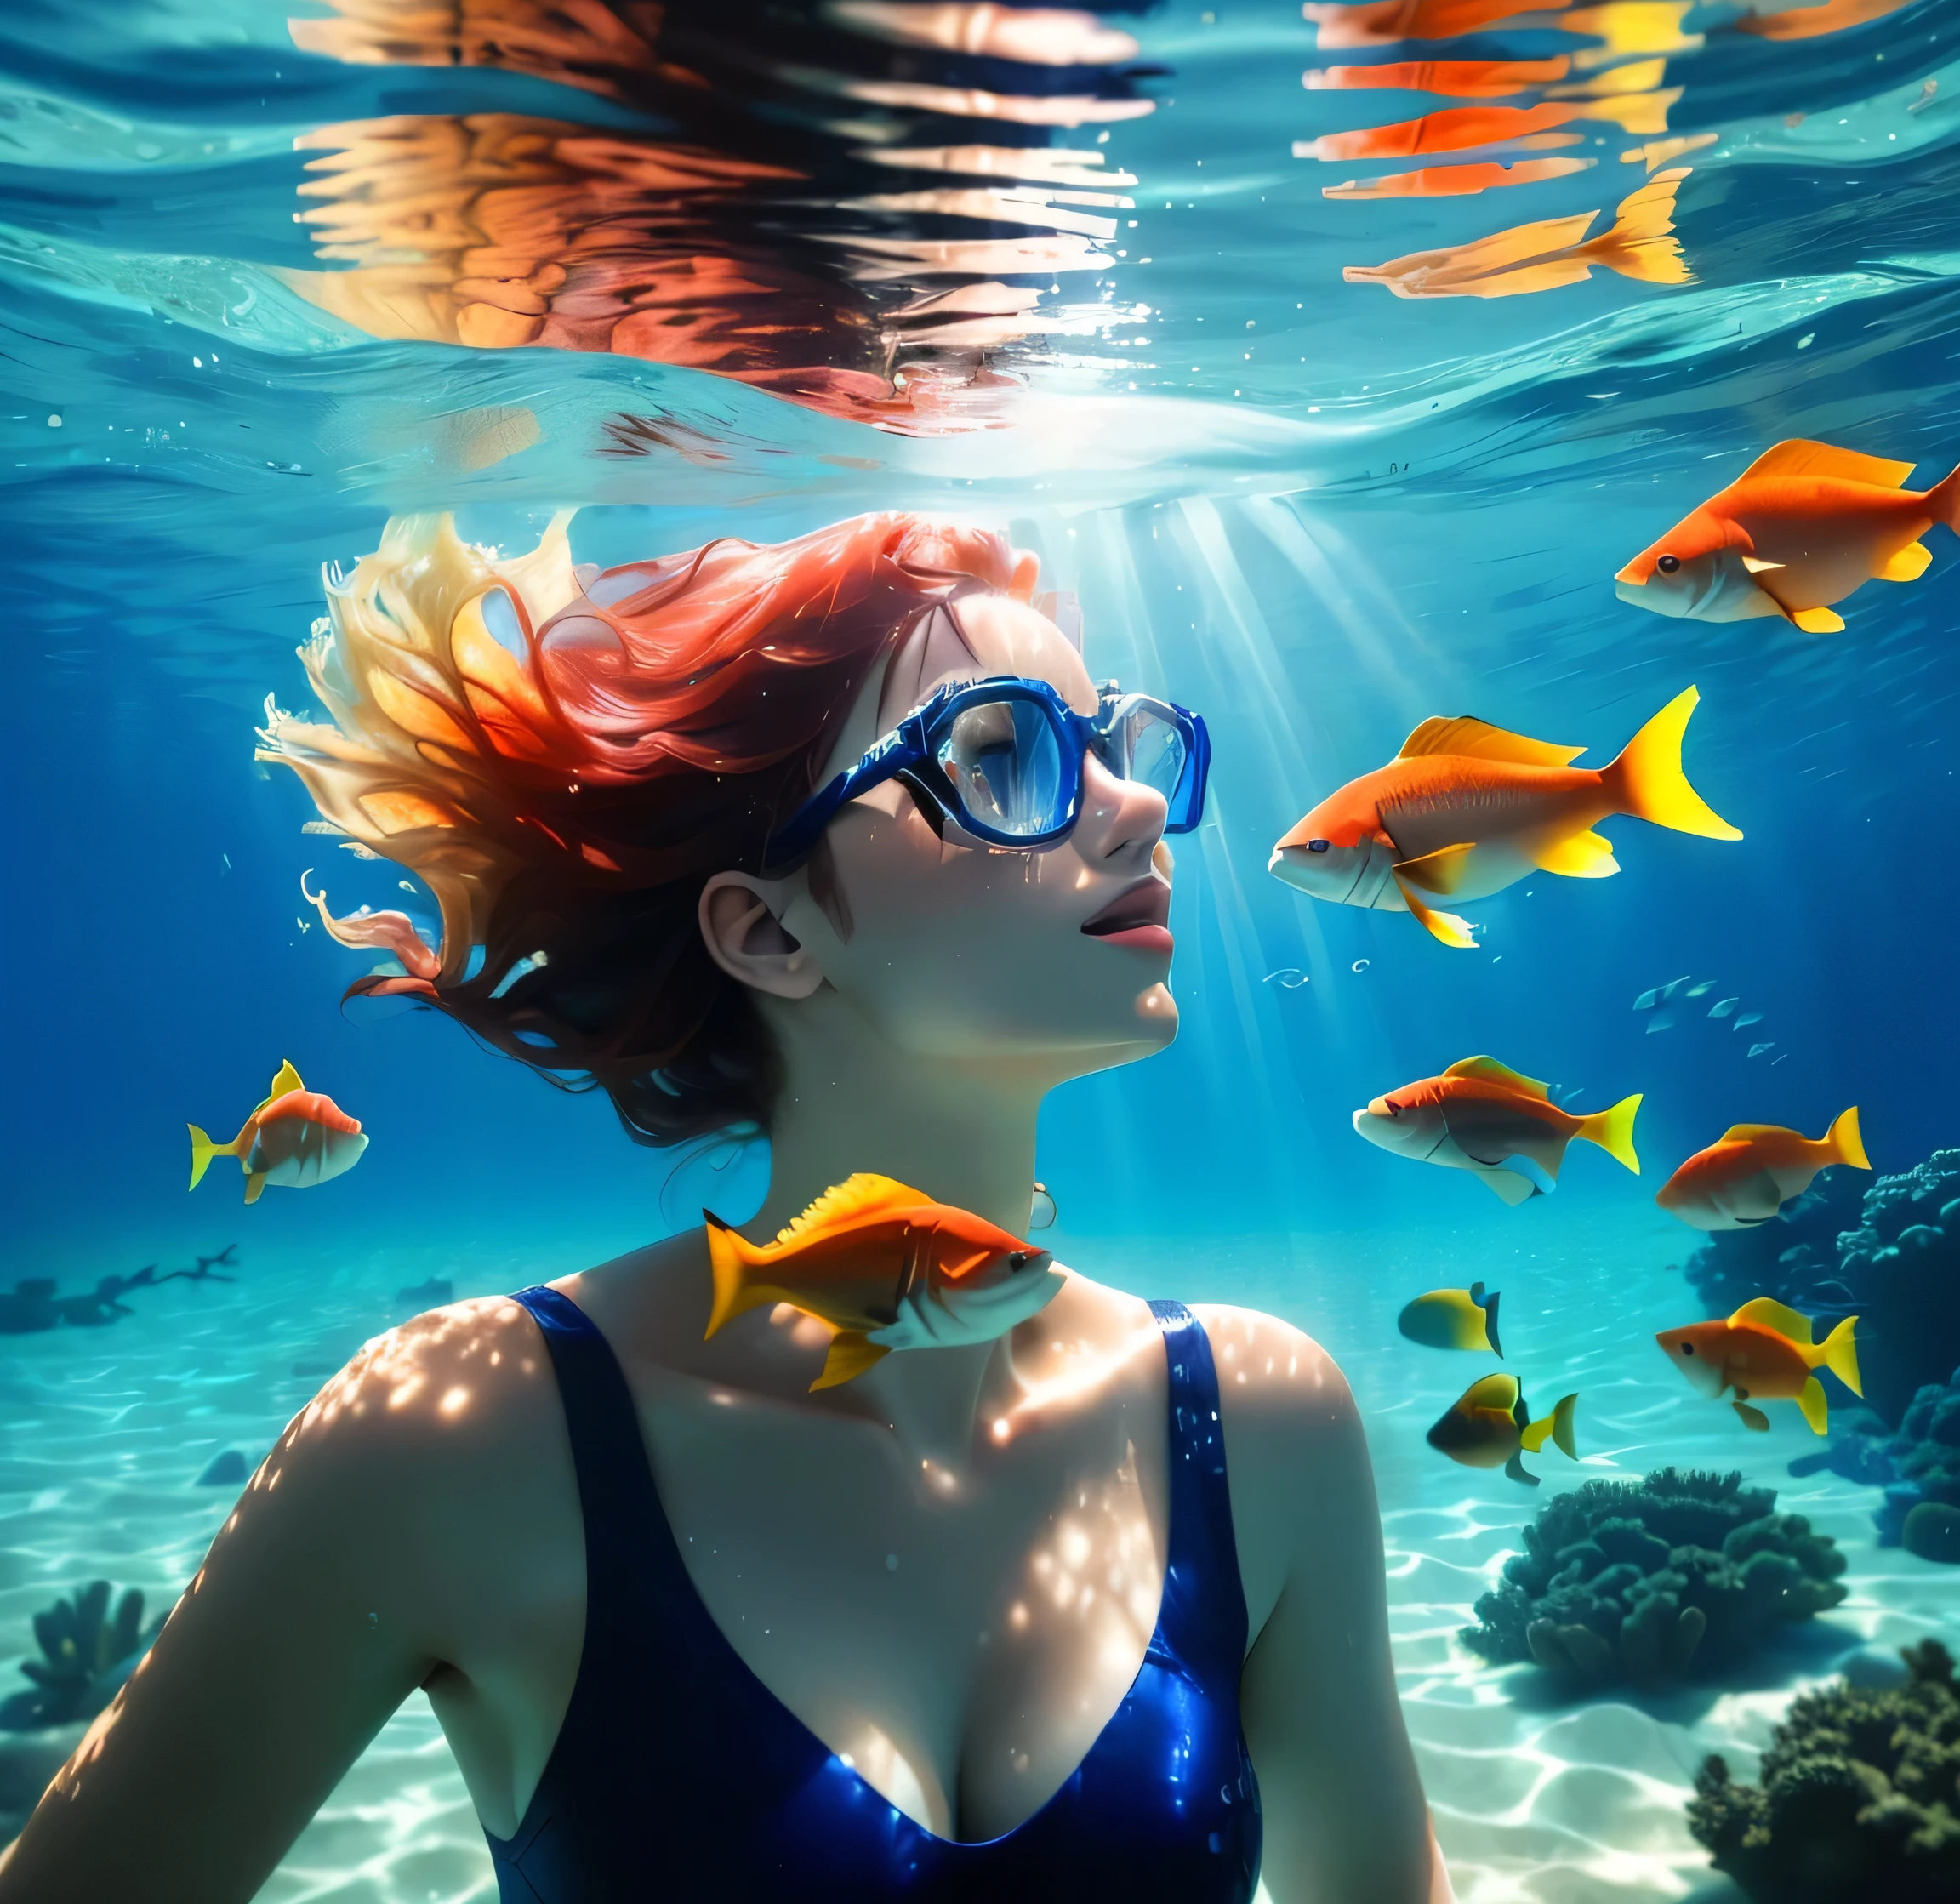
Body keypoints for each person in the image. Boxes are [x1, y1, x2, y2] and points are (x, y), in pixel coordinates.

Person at [0, 510, 1450, 1901]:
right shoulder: (450, 1434)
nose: (1137, 807)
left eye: (1114, 743)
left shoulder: (1265, 1420)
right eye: (1005, 756)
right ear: (770, 929)